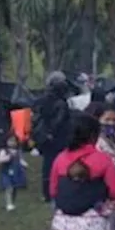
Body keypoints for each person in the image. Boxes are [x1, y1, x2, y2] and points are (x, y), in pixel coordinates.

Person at [49, 114, 115, 230]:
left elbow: (53, 190)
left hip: (64, 223)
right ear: (93, 135)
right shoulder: (102, 159)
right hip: (92, 224)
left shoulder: (60, 158)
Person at [33, 72, 74, 202]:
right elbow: (60, 120)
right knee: (58, 164)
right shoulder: (61, 103)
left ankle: (47, 192)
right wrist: (52, 132)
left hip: (45, 137)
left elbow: (36, 117)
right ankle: (56, 190)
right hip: (57, 137)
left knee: (48, 165)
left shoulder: (42, 100)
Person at [0, 132, 28, 212]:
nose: (12, 143)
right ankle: (8, 203)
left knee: (14, 188)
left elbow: (21, 160)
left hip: (16, 172)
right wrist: (8, 157)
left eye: (14, 141)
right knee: (9, 187)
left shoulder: (18, 151)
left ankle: (12, 202)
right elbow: (0, 160)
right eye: (10, 141)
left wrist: (24, 164)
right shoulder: (4, 151)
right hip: (6, 173)